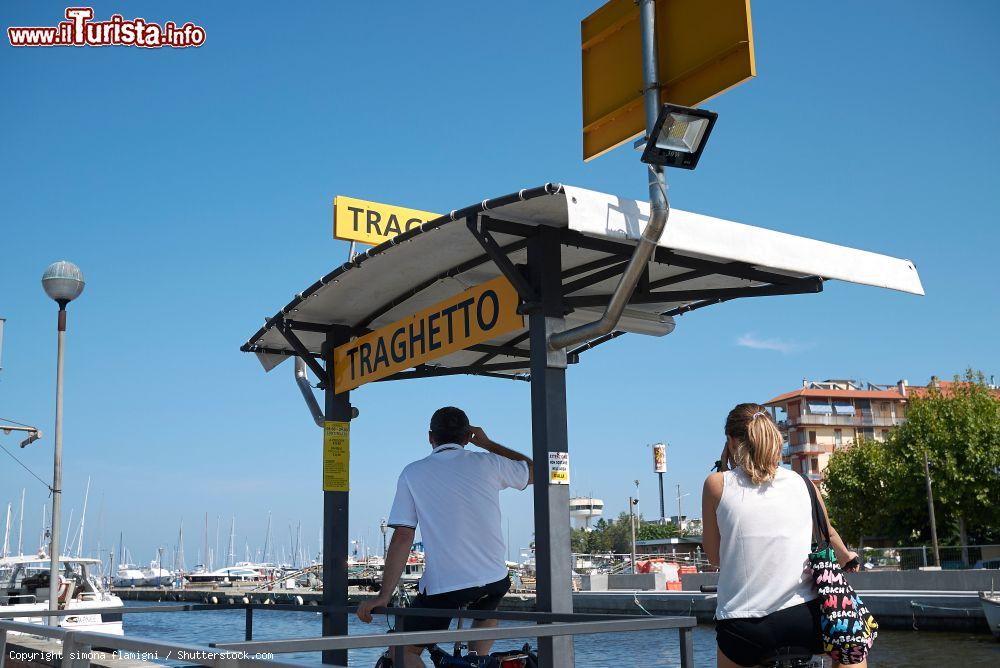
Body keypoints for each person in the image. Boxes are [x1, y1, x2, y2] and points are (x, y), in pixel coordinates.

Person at [357, 406, 533, 668]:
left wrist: (384, 596)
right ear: (466, 438)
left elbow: (403, 536)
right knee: (488, 606)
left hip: (445, 586)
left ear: (430, 437)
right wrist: (488, 444)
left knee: (402, 651)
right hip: (494, 578)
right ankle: (477, 660)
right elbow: (535, 470)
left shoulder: (412, 473)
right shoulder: (489, 462)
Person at [701, 403, 862, 668]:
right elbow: (827, 532)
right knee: (853, 648)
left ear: (731, 441)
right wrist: (848, 557)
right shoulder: (804, 483)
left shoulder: (717, 484)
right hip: (803, 619)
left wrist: (724, 467)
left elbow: (715, 557)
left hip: (743, 626)